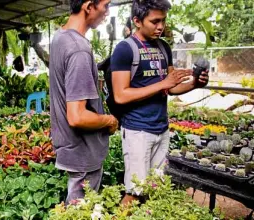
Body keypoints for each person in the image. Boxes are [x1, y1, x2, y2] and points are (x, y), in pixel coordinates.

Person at [110, 0, 209, 205]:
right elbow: (121, 95)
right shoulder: (125, 49)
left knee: (156, 188)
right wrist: (163, 83)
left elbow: (170, 88)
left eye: (163, 20)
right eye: (155, 21)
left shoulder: (164, 47)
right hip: (138, 131)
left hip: (161, 129)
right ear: (137, 21)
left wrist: (194, 84)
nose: (161, 26)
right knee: (135, 192)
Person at [49, 0, 118, 204]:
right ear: (89, 6)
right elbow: (77, 116)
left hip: (72, 151)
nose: (107, 12)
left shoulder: (60, 38)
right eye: (105, 5)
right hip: (83, 153)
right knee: (80, 213)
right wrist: (109, 120)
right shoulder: (78, 49)